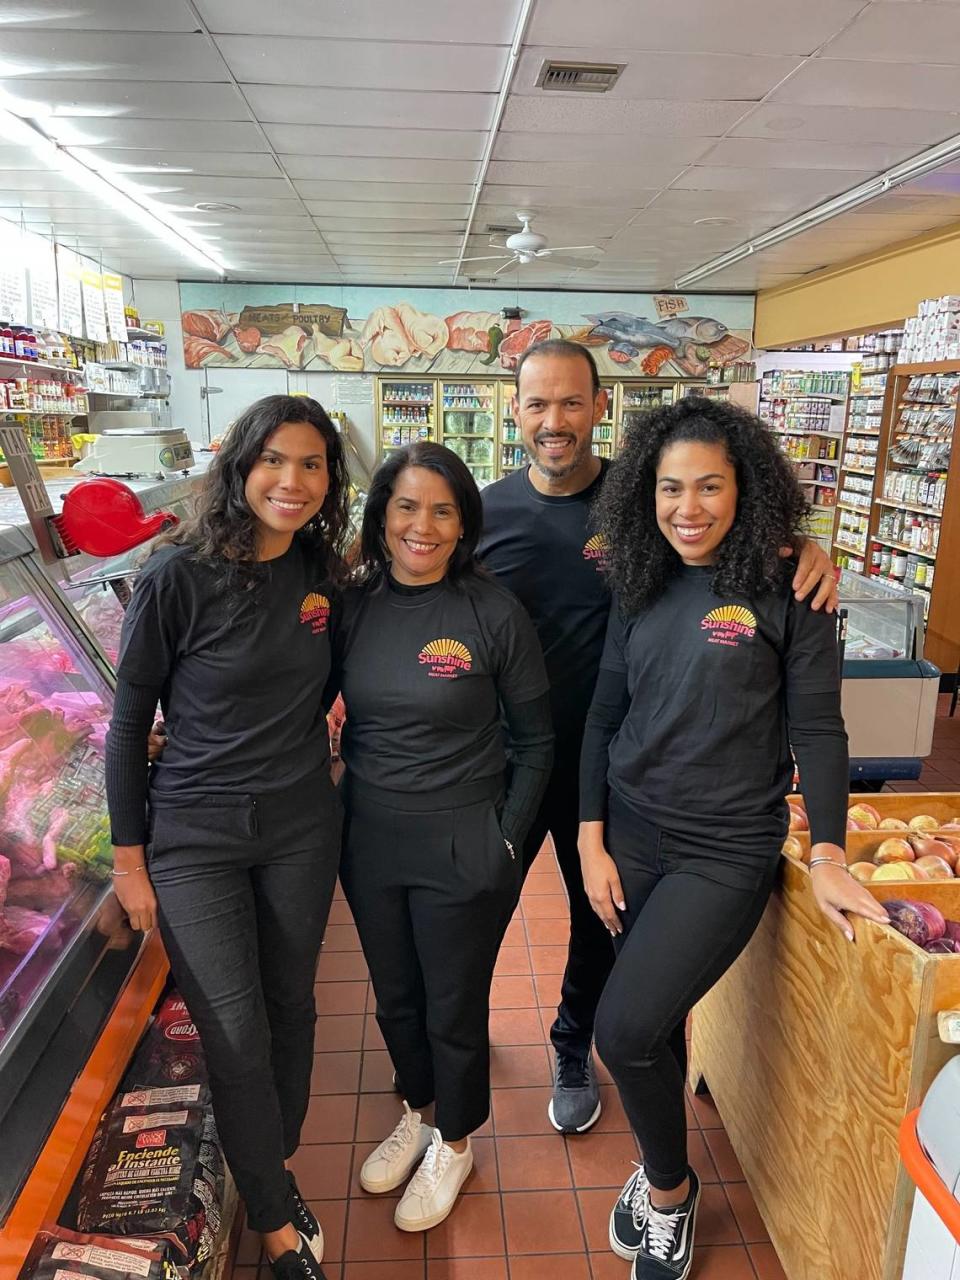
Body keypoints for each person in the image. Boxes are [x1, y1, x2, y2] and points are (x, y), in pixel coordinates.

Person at [477, 339, 840, 1134]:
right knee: (478, 909)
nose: (555, 420)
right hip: (511, 760)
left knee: (592, 925)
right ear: (515, 410)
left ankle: (575, 1048)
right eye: (538, 403)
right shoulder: (486, 512)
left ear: (601, 408)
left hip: (608, 768)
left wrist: (805, 547)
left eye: (572, 402)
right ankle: (460, 1049)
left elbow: (730, 538)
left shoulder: (644, 495)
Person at [577, 396, 889, 1280]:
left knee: (624, 1030)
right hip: (632, 833)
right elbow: (604, 714)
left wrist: (826, 850)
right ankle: (660, 1167)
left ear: (744, 487)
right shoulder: (638, 582)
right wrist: (592, 838)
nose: (688, 508)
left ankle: (670, 1194)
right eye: (670, 488)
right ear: (647, 493)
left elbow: (821, 730)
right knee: (656, 1020)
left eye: (709, 486)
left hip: (723, 851)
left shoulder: (794, 586)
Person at [105, 395, 350, 1280]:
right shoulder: (175, 576)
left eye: (313, 464)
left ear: (330, 481)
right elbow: (130, 721)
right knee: (237, 1032)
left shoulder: (324, 574)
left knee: (293, 1008)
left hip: (298, 828)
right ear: (241, 466)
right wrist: (130, 859)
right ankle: (277, 1227)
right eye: (275, 461)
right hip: (195, 839)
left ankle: (268, 1168)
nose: (292, 481)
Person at [332, 442, 553, 1231]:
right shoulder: (352, 604)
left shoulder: (492, 612)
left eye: (442, 510)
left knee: (451, 1006)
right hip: (369, 839)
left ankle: (455, 1144)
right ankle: (420, 1111)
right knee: (395, 998)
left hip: (464, 838)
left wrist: (505, 840)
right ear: (381, 514)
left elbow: (535, 741)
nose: (421, 526)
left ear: (464, 524)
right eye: (405, 507)